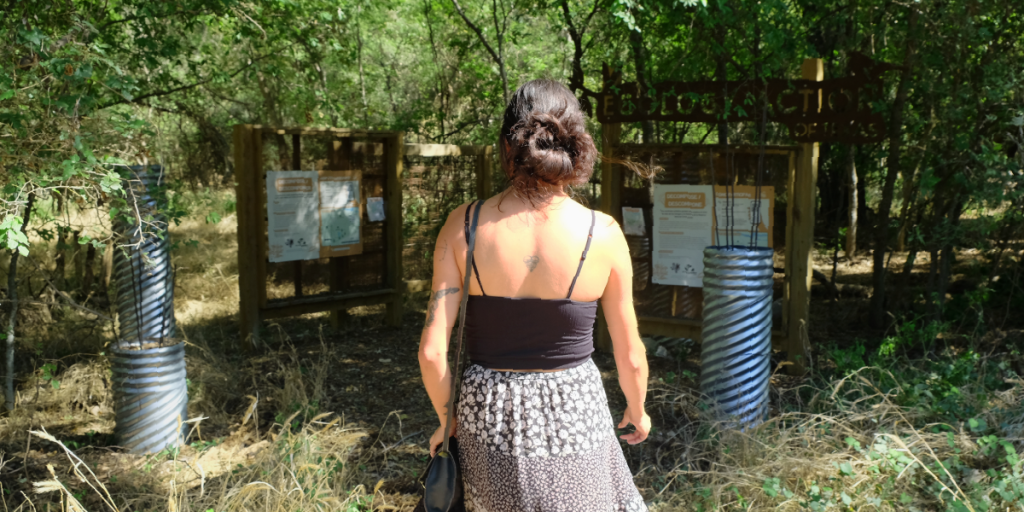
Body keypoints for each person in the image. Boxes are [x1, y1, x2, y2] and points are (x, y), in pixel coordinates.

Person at [418, 79, 650, 512]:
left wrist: (448, 421)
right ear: (576, 146)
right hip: (575, 409)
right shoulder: (603, 233)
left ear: (508, 146)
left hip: (486, 415)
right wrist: (637, 409)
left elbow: (433, 353)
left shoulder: (462, 225)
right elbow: (630, 352)